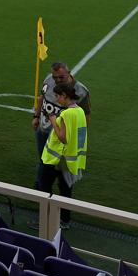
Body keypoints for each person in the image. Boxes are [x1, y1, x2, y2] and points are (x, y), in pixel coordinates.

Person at [36, 82, 87, 224]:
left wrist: (52, 119)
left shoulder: (66, 114)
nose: (57, 99)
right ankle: (65, 221)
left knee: (44, 187)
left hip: (57, 159)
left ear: (65, 96)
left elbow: (62, 137)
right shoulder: (80, 111)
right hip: (70, 160)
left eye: (58, 96)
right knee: (65, 191)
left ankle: (45, 218)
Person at [33, 62, 91, 162]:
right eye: (55, 77)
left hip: (60, 137)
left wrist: (77, 137)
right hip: (43, 130)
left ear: (69, 73)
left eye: (61, 77)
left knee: (52, 166)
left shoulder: (81, 91)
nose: (58, 80)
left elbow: (86, 116)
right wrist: (36, 116)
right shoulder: (48, 80)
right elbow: (42, 97)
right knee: (44, 160)